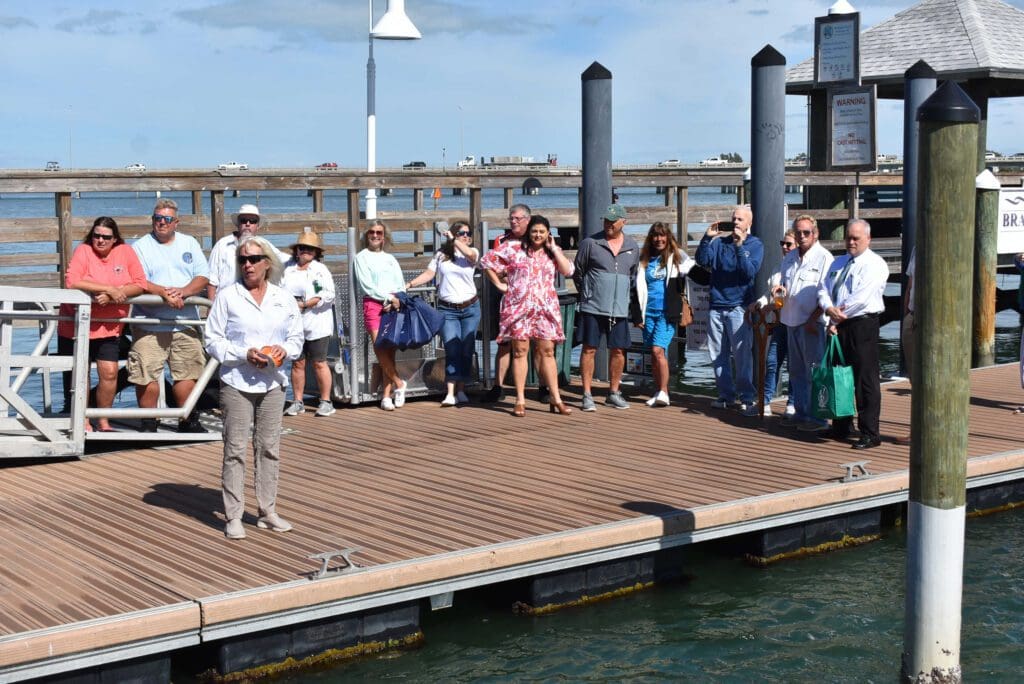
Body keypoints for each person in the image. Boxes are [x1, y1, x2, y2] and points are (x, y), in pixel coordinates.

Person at [205, 236, 303, 539]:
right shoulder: (227, 296)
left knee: (269, 448)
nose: (248, 264)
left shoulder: (282, 297)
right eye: (242, 260)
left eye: (254, 259)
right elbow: (212, 339)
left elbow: (296, 339)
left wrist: (282, 351)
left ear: (267, 263)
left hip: (273, 383)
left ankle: (267, 511)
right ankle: (233, 514)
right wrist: (243, 353)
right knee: (234, 449)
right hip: (236, 382)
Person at [57, 217, 147, 432]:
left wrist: (117, 293)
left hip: (109, 325)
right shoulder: (84, 251)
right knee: (80, 373)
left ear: (115, 239)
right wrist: (107, 289)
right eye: (96, 235)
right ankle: (83, 420)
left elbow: (140, 284)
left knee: (109, 372)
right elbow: (72, 281)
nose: (100, 240)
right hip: (76, 326)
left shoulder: (125, 252)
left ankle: (103, 420)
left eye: (106, 236)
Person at [129, 198, 210, 433]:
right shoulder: (140, 246)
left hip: (185, 320)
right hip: (150, 322)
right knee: (145, 373)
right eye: (157, 218)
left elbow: (202, 277)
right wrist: (163, 293)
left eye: (166, 219)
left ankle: (187, 419)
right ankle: (149, 422)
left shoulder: (190, 243)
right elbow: (139, 280)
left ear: (176, 222)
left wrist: (184, 292)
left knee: (187, 372)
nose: (161, 223)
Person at [482, 215, 575, 416]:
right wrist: (499, 284)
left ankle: (556, 398)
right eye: (534, 231)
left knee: (547, 351)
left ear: (548, 233)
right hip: (519, 308)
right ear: (528, 232)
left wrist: (554, 248)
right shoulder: (514, 248)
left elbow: (568, 271)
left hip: (545, 309)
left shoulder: (551, 253)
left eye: (542, 231)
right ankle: (520, 399)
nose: (538, 235)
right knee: (520, 351)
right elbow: (486, 261)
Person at [818, 219, 889, 449]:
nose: (851, 241)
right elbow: (823, 288)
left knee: (864, 379)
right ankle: (841, 424)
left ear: (868, 239)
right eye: (848, 237)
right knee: (840, 376)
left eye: (856, 238)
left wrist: (836, 316)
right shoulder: (838, 262)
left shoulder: (875, 264)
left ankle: (870, 432)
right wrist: (828, 309)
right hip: (838, 324)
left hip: (861, 324)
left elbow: (862, 297)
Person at [694, 205, 764, 416]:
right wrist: (707, 238)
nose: (735, 222)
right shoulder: (718, 243)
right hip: (716, 306)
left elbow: (749, 272)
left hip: (739, 308)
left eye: (740, 219)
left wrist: (740, 246)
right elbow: (702, 261)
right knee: (718, 354)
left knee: (742, 355)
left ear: (749, 223)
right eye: (734, 218)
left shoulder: (755, 244)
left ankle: (747, 396)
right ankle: (726, 395)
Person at [573, 204, 640, 411]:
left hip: (619, 309)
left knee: (619, 351)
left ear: (623, 222)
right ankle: (586, 394)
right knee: (589, 348)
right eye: (606, 220)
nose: (609, 224)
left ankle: (613, 392)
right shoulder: (590, 243)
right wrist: (589, 294)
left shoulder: (633, 246)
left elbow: (634, 277)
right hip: (593, 307)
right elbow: (578, 273)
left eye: (613, 221)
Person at [406, 220, 480, 407]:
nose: (465, 236)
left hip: (470, 308)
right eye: (461, 233)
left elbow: (470, 254)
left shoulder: (473, 253)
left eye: (467, 233)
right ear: (453, 234)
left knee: (466, 348)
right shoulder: (441, 255)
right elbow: (429, 274)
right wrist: (410, 284)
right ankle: (450, 392)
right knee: (452, 347)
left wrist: (456, 240)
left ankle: (462, 389)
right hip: (448, 308)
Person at [774, 215, 834, 431]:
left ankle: (818, 419)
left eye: (806, 232)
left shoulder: (825, 258)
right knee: (796, 371)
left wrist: (813, 318)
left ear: (815, 233)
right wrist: (779, 291)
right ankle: (801, 412)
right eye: (798, 232)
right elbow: (783, 283)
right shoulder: (789, 258)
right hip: (790, 320)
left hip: (812, 323)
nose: (801, 236)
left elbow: (827, 293)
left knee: (815, 372)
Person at [635, 222, 693, 407]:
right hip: (648, 312)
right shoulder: (645, 259)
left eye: (662, 235)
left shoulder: (676, 256)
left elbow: (696, 271)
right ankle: (660, 390)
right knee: (654, 354)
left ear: (668, 237)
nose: (658, 239)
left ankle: (664, 392)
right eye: (655, 236)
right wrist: (638, 316)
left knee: (657, 351)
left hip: (667, 313)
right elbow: (635, 288)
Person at [352, 220, 408, 411]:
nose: (375, 235)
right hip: (373, 304)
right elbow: (366, 285)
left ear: (384, 237)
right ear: (366, 235)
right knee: (380, 347)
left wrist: (395, 299)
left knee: (390, 351)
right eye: (371, 232)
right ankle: (400, 383)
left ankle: (387, 396)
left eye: (379, 232)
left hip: (392, 305)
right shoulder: (361, 257)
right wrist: (387, 298)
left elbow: (400, 283)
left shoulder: (391, 259)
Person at [281, 228, 337, 417]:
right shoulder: (287, 268)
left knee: (319, 362)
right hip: (293, 324)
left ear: (316, 253)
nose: (306, 251)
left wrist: (305, 304)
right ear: (296, 250)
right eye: (303, 248)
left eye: (310, 249)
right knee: (297, 363)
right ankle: (298, 401)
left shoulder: (319, 270)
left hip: (316, 323)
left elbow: (327, 295)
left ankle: (326, 401)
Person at [484, 204, 531, 402]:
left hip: (532, 300)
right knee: (504, 343)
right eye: (511, 218)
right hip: (510, 298)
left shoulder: (537, 239)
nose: (513, 222)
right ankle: (498, 386)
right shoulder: (502, 240)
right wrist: (500, 282)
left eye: (517, 219)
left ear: (527, 220)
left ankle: (544, 388)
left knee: (538, 345)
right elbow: (493, 266)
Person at [750, 227, 797, 417]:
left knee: (794, 365)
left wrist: (776, 303)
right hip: (778, 323)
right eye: (782, 244)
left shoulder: (797, 268)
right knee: (771, 362)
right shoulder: (778, 267)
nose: (785, 247)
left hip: (793, 321)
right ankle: (765, 400)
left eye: (789, 244)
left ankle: (792, 403)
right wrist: (760, 303)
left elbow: (796, 295)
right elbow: (768, 293)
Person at [206, 204, 287, 300]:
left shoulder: (265, 245)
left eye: (252, 221)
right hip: (226, 301)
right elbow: (212, 279)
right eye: (243, 220)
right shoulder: (222, 245)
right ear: (238, 224)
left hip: (255, 300)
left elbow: (284, 262)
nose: (248, 224)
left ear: (257, 226)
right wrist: (211, 305)